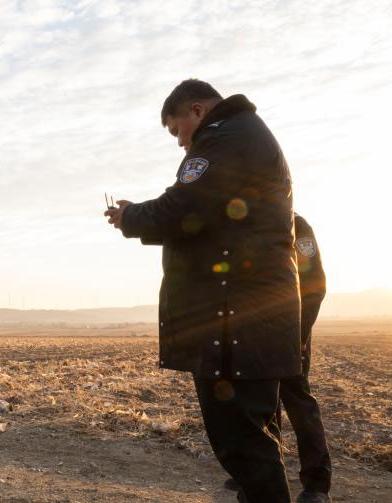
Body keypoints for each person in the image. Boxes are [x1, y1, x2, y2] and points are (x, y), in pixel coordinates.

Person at [104, 79, 323, 503]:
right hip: (246, 318)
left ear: (198, 111)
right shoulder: (243, 136)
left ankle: (315, 484)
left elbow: (182, 207)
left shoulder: (222, 140)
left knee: (243, 443)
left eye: (176, 130)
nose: (179, 142)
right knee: (252, 441)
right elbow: (201, 216)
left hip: (236, 322)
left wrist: (131, 217)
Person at [223, 213, 332, 501]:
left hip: (290, 333)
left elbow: (315, 283)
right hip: (251, 336)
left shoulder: (296, 224)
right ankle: (262, 479)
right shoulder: (242, 221)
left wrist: (299, 334)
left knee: (299, 403)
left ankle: (316, 486)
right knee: (260, 406)